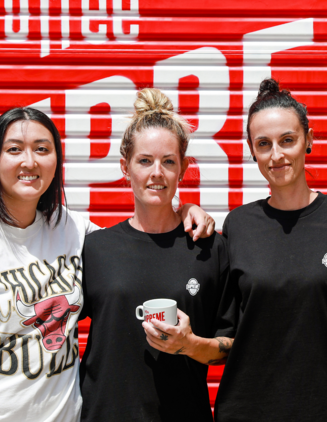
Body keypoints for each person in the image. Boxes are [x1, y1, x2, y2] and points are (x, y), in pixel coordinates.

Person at [0, 107, 214, 422]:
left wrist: (182, 210)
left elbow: (140, 248)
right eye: (14, 149)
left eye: (42, 149)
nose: (30, 162)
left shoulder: (72, 230)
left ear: (56, 161)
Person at [213, 79, 327, 422]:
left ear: (308, 139)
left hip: (325, 408)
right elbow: (233, 323)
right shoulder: (238, 225)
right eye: (264, 144)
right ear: (252, 150)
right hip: (245, 410)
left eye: (288, 140)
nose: (277, 155)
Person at [78, 88, 233, 422]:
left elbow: (231, 347)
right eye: (144, 161)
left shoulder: (209, 247)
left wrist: (190, 345)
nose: (156, 173)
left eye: (168, 162)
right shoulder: (95, 247)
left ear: (183, 168)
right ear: (125, 167)